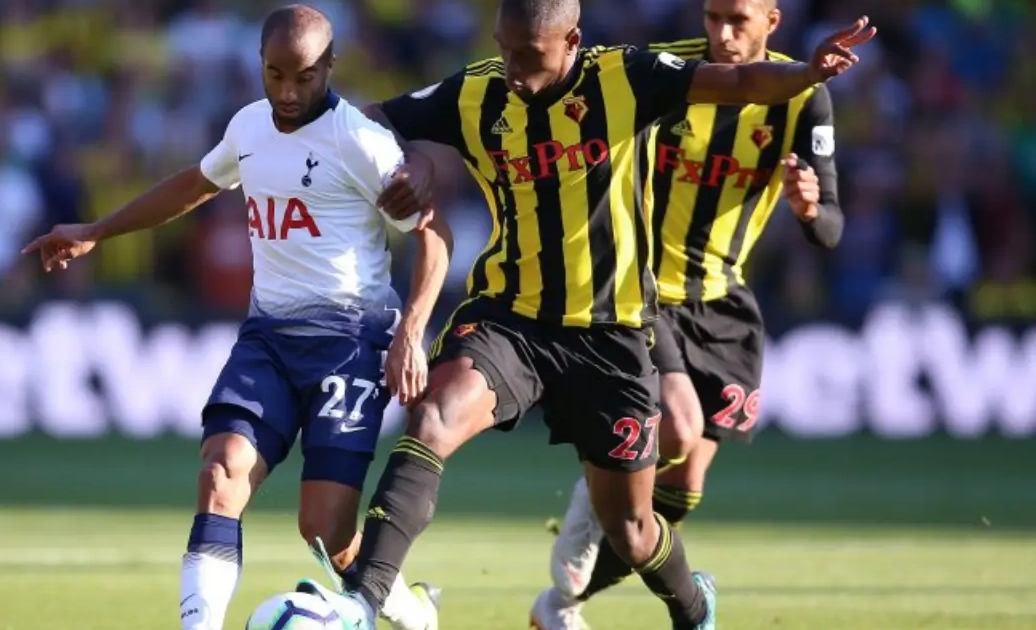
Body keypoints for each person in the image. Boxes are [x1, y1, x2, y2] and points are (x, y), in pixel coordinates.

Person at [294, 1, 873, 629]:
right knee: (433, 417)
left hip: (612, 333)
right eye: (504, 49)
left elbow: (739, 81)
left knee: (632, 529)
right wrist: (411, 163)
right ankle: (363, 603)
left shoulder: (626, 78)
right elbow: (372, 121)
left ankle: (693, 606)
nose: (513, 69)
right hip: (511, 318)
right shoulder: (477, 91)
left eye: (529, 55)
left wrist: (808, 74)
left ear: (572, 40)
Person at [21, 6, 448, 630]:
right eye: (275, 75)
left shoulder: (360, 142)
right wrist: (98, 230)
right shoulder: (249, 126)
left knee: (325, 531)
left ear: (331, 66)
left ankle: (412, 613)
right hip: (268, 337)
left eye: (304, 76)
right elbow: (194, 184)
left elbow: (435, 237)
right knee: (220, 474)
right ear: (260, 65)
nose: (288, 91)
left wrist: (410, 331)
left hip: (350, 341)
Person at [530, 0, 847, 626]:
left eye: (738, 20)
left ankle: (561, 604)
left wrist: (809, 208)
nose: (722, 34)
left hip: (723, 303)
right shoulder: (666, 74)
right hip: (640, 289)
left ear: (772, 21)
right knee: (674, 429)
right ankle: (599, 483)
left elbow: (831, 227)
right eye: (712, 17)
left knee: (682, 488)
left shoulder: (802, 96)